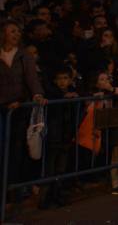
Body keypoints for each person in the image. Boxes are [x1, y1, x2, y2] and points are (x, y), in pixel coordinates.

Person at [0, 20, 46, 201]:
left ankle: (13, 187)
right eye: (12, 31)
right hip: (2, 107)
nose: (16, 35)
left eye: (18, 32)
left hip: (19, 108)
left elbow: (32, 79)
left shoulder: (23, 55)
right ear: (3, 34)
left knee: (16, 149)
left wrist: (37, 94)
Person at [38, 66, 79, 209]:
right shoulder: (52, 93)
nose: (62, 82)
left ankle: (57, 195)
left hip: (65, 136)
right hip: (54, 136)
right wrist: (63, 97)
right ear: (55, 80)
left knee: (61, 168)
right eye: (60, 79)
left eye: (65, 78)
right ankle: (44, 199)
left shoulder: (72, 94)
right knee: (50, 169)